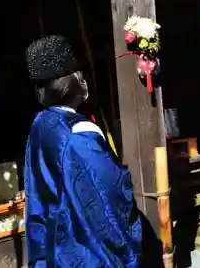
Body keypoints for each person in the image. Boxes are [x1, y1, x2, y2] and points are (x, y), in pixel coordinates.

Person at [24, 35, 142, 267]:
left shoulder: (40, 124)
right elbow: (110, 196)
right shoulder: (80, 134)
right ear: (74, 83)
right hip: (86, 252)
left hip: (53, 246)